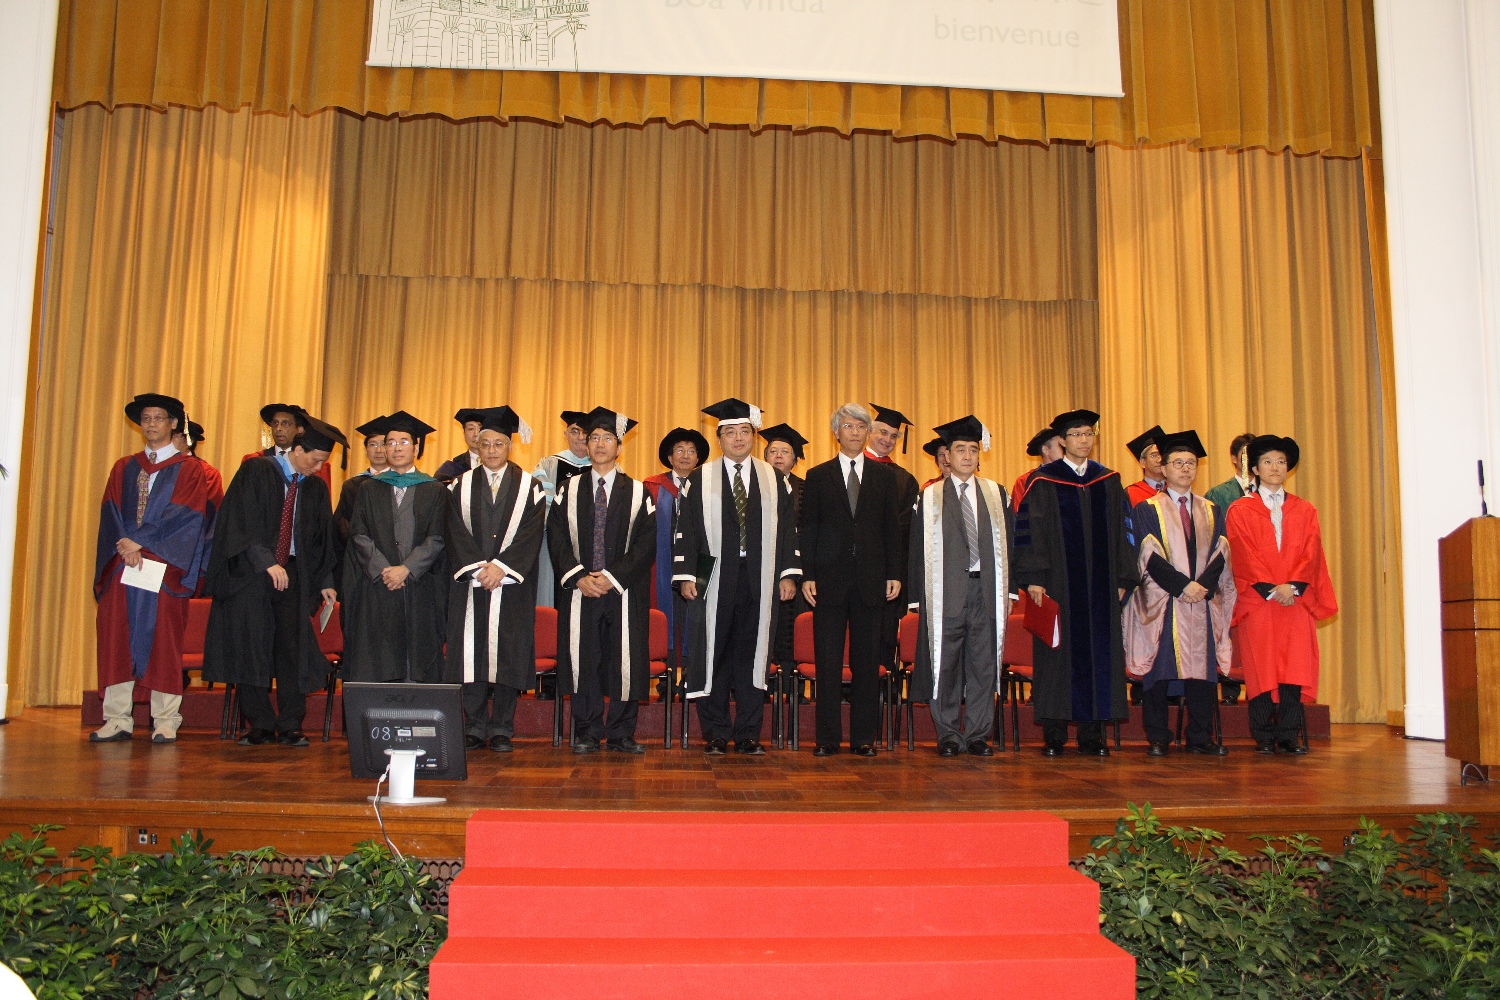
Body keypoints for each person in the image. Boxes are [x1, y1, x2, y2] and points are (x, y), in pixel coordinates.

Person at [202, 415, 343, 747]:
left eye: (323, 462)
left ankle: (291, 724)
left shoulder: (315, 487)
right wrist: (267, 561)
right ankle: (260, 724)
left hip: (294, 574)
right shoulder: (256, 471)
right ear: (298, 449)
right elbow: (240, 522)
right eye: (315, 460)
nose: (318, 467)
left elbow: (321, 538)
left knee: (293, 649)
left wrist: (325, 579)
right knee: (250, 647)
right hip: (251, 574)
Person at [673, 399, 801, 755]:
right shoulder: (700, 478)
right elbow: (686, 530)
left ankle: (747, 733)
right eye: (730, 432)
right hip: (711, 575)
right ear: (719, 439)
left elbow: (789, 530)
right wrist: (687, 575)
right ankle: (715, 732)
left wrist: (788, 574)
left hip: (760, 575)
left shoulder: (774, 478)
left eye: (745, 431)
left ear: (753, 436)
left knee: (753, 653)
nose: (739, 438)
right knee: (712, 652)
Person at [1013, 409, 1138, 756]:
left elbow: (1123, 531)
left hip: (1100, 587)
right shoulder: (1043, 481)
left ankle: (1092, 735)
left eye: (1088, 434)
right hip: (1058, 585)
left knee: (1100, 655)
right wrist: (1034, 578)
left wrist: (1123, 577)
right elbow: (1030, 531)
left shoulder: (1107, 480)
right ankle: (1054, 734)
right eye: (1077, 435)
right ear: (1062, 441)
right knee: (1057, 655)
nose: (1084, 440)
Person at [91, 394, 214, 743]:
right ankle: (117, 718)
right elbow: (111, 511)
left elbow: (186, 516)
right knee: (116, 637)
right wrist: (125, 545)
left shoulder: (190, 469)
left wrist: (140, 543)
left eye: (159, 418)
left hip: (163, 568)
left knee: (163, 641)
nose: (151, 424)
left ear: (174, 424)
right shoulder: (124, 467)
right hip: (123, 566)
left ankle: (165, 719)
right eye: (146, 418)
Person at [548, 407, 657, 754]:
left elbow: (646, 544)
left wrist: (611, 577)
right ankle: (587, 731)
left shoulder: (639, 492)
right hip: (580, 590)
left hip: (623, 590)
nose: (598, 444)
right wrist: (578, 576)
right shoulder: (567, 490)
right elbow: (556, 538)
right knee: (584, 659)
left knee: (625, 659)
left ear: (619, 447)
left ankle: (622, 732)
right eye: (593, 437)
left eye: (607, 438)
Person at [1123, 430, 1236, 757]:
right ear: (1164, 468)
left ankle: (1200, 736)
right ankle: (1158, 736)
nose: (1185, 468)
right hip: (1163, 600)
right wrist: (1182, 586)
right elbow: (1148, 553)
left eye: (1190, 463)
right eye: (1178, 463)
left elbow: (1221, 552)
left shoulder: (1211, 509)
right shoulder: (1147, 509)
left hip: (1201, 601)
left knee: (1202, 673)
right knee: (1159, 670)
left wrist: (1201, 587)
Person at [907, 416, 1014, 757]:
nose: (967, 456)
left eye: (972, 450)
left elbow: (1011, 544)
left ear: (979, 455)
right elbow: (916, 549)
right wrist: (916, 597)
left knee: (984, 665)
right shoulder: (929, 496)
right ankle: (949, 734)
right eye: (959, 450)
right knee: (946, 665)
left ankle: (979, 734)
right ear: (947, 456)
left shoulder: (997, 494)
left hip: (987, 592)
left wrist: (1011, 591)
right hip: (945, 594)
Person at [799, 403, 903, 756]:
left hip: (872, 581)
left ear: (868, 432)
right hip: (828, 581)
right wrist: (808, 575)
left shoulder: (885, 477)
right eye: (848, 426)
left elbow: (892, 530)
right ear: (836, 432)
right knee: (827, 662)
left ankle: (863, 739)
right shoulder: (818, 475)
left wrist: (894, 573)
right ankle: (827, 739)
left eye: (861, 426)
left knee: (866, 663)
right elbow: (808, 530)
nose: (855, 432)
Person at [444, 406, 547, 752]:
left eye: (498, 444)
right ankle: (474, 725)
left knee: (508, 652)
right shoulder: (459, 486)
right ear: (477, 446)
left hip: (511, 584)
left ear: (509, 447)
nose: (491, 450)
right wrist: (478, 568)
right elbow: (454, 531)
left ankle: (502, 726)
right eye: (485, 444)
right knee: (470, 653)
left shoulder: (530, 487)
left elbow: (531, 533)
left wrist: (502, 567)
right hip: (471, 583)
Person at [1226, 435, 1337, 755]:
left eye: (1281, 462)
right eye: (1267, 462)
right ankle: (1262, 734)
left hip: (1295, 601)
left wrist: (1293, 586)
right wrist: (1270, 588)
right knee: (1260, 668)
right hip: (1258, 602)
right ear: (1255, 469)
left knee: (1293, 667)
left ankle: (1288, 734)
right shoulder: (1240, 509)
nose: (1275, 467)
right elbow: (1242, 552)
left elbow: (1311, 552)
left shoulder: (1305, 509)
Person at [342, 411, 449, 683]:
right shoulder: (369, 488)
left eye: (403, 442)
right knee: (380, 654)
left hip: (419, 584)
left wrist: (407, 569)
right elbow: (358, 534)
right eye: (390, 442)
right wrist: (384, 569)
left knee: (418, 653)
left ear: (416, 447)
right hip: (380, 584)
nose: (396, 448)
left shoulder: (434, 489)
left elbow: (437, 537)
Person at [866, 404, 920, 688]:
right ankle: (849, 690)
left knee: (886, 633)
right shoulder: (848, 469)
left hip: (887, 570)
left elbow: (905, 525)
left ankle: (885, 690)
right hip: (850, 569)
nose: (887, 439)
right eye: (882, 432)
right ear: (869, 432)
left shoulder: (905, 479)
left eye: (893, 436)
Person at [643, 427, 709, 659]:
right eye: (680, 450)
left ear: (698, 459)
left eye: (691, 451)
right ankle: (666, 668)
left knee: (696, 615)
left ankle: (693, 670)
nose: (685, 455)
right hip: (661, 563)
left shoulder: (708, 487)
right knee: (663, 614)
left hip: (696, 564)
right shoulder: (652, 487)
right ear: (670, 457)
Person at [762, 422, 810, 698]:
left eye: (785, 452)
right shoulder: (755, 485)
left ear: (795, 459)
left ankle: (794, 688)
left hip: (797, 572)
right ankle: (760, 685)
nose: (778, 456)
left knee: (793, 629)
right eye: (773, 451)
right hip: (761, 568)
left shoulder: (806, 488)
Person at [532, 410, 594, 612]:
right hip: (556, 544)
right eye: (575, 431)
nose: (580, 437)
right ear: (565, 434)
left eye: (586, 432)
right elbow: (541, 506)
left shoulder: (605, 467)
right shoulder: (549, 465)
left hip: (593, 546)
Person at [332, 415, 390, 586]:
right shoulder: (352, 485)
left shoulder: (402, 484)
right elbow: (341, 523)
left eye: (383, 444)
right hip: (359, 562)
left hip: (394, 561)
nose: (378, 450)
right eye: (373, 445)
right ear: (365, 451)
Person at [173, 420, 224, 590]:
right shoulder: (158, 467)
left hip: (190, 552)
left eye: (173, 435)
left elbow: (206, 517)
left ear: (187, 440)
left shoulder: (207, 473)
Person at [242, 403, 331, 487]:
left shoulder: (317, 466)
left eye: (285, 423)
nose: (278, 428)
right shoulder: (255, 460)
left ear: (300, 429)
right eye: (275, 423)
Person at [1011, 427, 1064, 511]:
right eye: (1061, 446)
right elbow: (1019, 514)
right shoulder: (1025, 481)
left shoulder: (1075, 478)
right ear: (1045, 450)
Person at [1205, 432, 1258, 513]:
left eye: (1254, 455)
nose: (1250, 459)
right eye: (1246, 455)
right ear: (1234, 459)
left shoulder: (1266, 490)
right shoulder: (1218, 494)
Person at [435, 408, 486, 483]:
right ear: (464, 433)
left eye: (480, 428)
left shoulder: (499, 465)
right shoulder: (450, 468)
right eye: (471, 429)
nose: (476, 434)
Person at [1125, 425, 1166, 506]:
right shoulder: (1130, 493)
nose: (1160, 460)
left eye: (1162, 454)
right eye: (1154, 455)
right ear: (1143, 462)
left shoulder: (1175, 490)